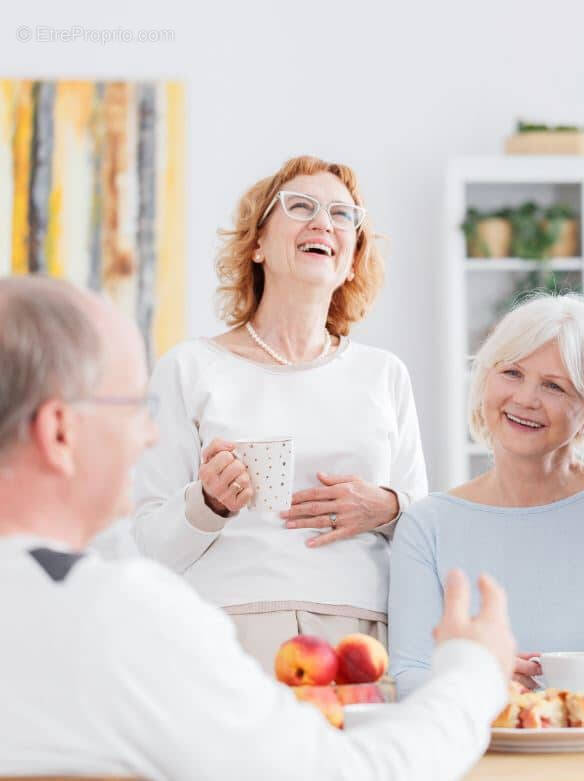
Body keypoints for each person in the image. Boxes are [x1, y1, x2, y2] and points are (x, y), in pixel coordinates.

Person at [0, 276, 516, 780]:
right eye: (134, 407)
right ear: (59, 432)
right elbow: (342, 774)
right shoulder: (123, 620)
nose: (149, 435)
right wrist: (473, 672)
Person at [133, 156, 427, 667]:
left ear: (351, 260)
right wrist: (209, 503)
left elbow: (425, 536)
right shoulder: (189, 368)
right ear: (257, 245)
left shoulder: (385, 374)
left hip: (362, 641)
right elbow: (148, 549)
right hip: (228, 637)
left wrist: (388, 507)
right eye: (301, 206)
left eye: (342, 214)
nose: (323, 223)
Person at [389, 294, 584, 710]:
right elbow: (408, 675)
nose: (525, 398)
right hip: (483, 745)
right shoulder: (426, 523)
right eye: (512, 373)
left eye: (554, 386)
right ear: (484, 381)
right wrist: (476, 680)